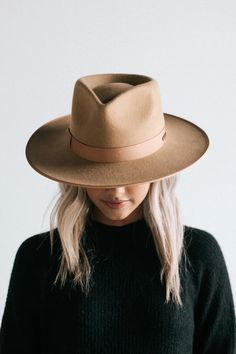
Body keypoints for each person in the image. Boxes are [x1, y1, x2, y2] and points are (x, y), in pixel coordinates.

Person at [0, 73, 235, 354]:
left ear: (158, 172)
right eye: (100, 174)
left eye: (132, 173)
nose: (117, 190)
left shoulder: (197, 256)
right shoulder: (39, 258)